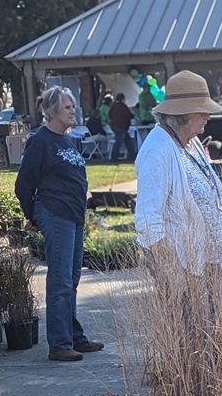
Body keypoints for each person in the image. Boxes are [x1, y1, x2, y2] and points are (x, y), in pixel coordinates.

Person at [14, 86, 103, 362]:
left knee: (73, 279)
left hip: (74, 216)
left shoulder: (69, 139)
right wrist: (34, 216)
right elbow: (23, 184)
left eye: (73, 106)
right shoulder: (41, 140)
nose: (73, 111)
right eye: (67, 107)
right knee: (61, 280)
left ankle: (75, 336)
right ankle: (60, 344)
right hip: (55, 214)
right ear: (52, 110)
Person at [134, 70, 222, 277]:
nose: (208, 116)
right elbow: (148, 221)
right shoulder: (156, 150)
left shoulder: (191, 140)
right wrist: (174, 273)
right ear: (183, 114)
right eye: (201, 110)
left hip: (208, 269)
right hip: (183, 274)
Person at [108, 92, 136, 161]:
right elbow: (128, 115)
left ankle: (133, 156)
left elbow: (109, 114)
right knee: (119, 141)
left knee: (127, 140)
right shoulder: (123, 106)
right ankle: (114, 157)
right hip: (121, 126)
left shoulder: (113, 106)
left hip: (114, 125)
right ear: (123, 99)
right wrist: (133, 116)